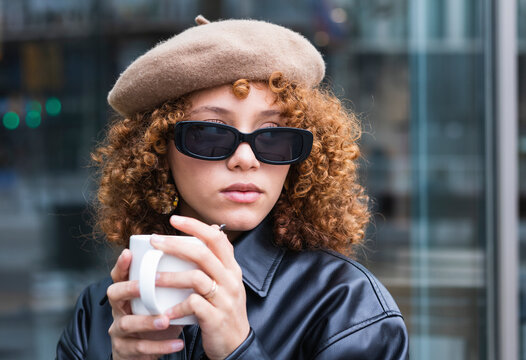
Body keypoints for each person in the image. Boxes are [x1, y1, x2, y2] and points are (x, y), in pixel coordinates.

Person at [56, 15, 408, 360]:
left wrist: (238, 350)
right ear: (158, 149)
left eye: (273, 137)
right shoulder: (98, 312)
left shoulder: (349, 308)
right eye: (211, 133)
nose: (246, 159)